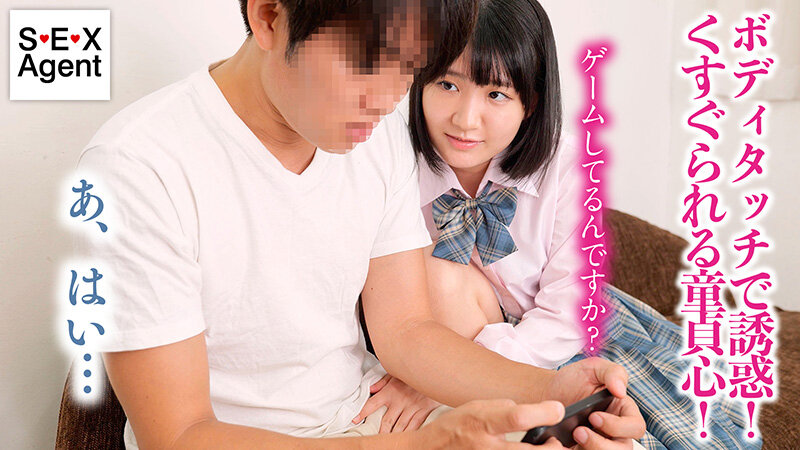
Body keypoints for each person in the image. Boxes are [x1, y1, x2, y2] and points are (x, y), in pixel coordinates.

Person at [73, 0, 645, 448]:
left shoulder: (379, 136)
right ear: (269, 17)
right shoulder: (138, 168)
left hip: (364, 416)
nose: (388, 98)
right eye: (367, 62)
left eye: (409, 67)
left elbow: (407, 332)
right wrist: (421, 447)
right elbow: (178, 436)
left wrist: (550, 389)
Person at [352, 1, 759, 448]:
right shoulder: (390, 159)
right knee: (439, 273)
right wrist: (436, 369)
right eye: (447, 85)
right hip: (445, 322)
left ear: (531, 102)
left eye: (496, 94)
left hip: (559, 333)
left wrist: (444, 378)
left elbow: (566, 314)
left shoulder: (568, 167)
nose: (466, 120)